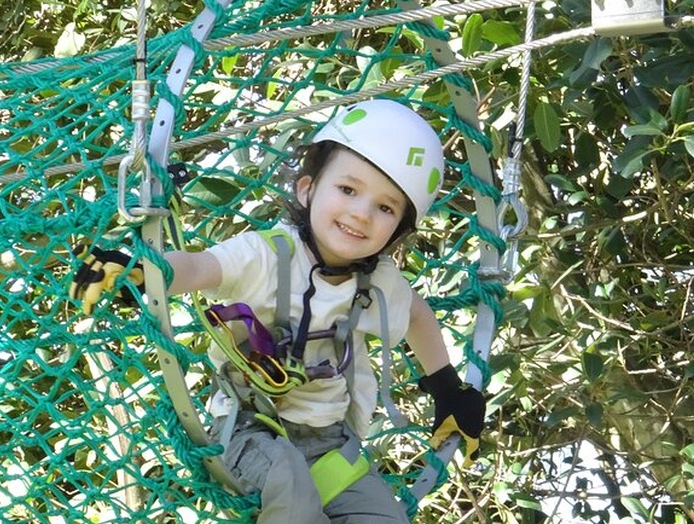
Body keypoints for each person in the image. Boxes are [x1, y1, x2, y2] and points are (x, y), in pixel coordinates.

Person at [69, 99, 486, 524]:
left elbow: (416, 314)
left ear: (396, 230)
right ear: (307, 189)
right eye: (348, 190)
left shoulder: (378, 282)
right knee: (293, 497)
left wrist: (447, 387)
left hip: (327, 444)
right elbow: (199, 266)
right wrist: (145, 272)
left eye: (385, 208)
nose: (361, 213)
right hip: (247, 433)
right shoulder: (267, 254)